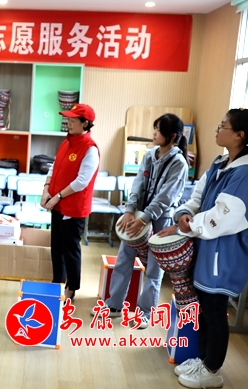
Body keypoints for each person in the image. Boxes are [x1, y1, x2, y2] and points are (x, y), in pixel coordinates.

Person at [157, 109, 248, 389]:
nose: (217, 130)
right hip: (207, 250)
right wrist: (184, 213)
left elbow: (224, 217)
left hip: (224, 256)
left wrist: (185, 227)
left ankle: (212, 370)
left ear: (240, 135)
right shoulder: (221, 162)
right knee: (204, 310)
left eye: (223, 126)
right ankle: (203, 359)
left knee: (215, 312)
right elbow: (197, 195)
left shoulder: (245, 172)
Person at [91, 113, 188, 329]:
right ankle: (114, 305)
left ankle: (145, 313)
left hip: (161, 220)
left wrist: (145, 217)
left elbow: (166, 196)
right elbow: (137, 184)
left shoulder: (179, 163)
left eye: (158, 130)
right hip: (137, 214)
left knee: (154, 269)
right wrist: (129, 210)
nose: (154, 133)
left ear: (172, 136)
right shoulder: (150, 155)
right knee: (123, 259)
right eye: (155, 129)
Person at [41, 104, 100, 300]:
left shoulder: (90, 149)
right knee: (57, 247)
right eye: (68, 119)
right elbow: (54, 167)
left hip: (72, 208)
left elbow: (82, 181)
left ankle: (71, 287)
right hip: (57, 204)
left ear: (85, 124)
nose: (69, 123)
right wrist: (46, 190)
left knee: (70, 250)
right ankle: (57, 282)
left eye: (73, 120)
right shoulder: (66, 142)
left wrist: (57, 196)